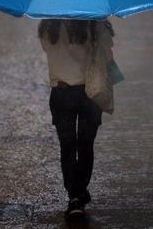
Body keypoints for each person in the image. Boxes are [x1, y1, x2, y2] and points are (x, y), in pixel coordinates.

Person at [38, 18, 115, 218]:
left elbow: (49, 50)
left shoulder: (48, 27)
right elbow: (107, 58)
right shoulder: (95, 25)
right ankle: (79, 189)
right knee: (85, 144)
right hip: (91, 94)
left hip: (62, 94)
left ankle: (74, 195)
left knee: (68, 146)